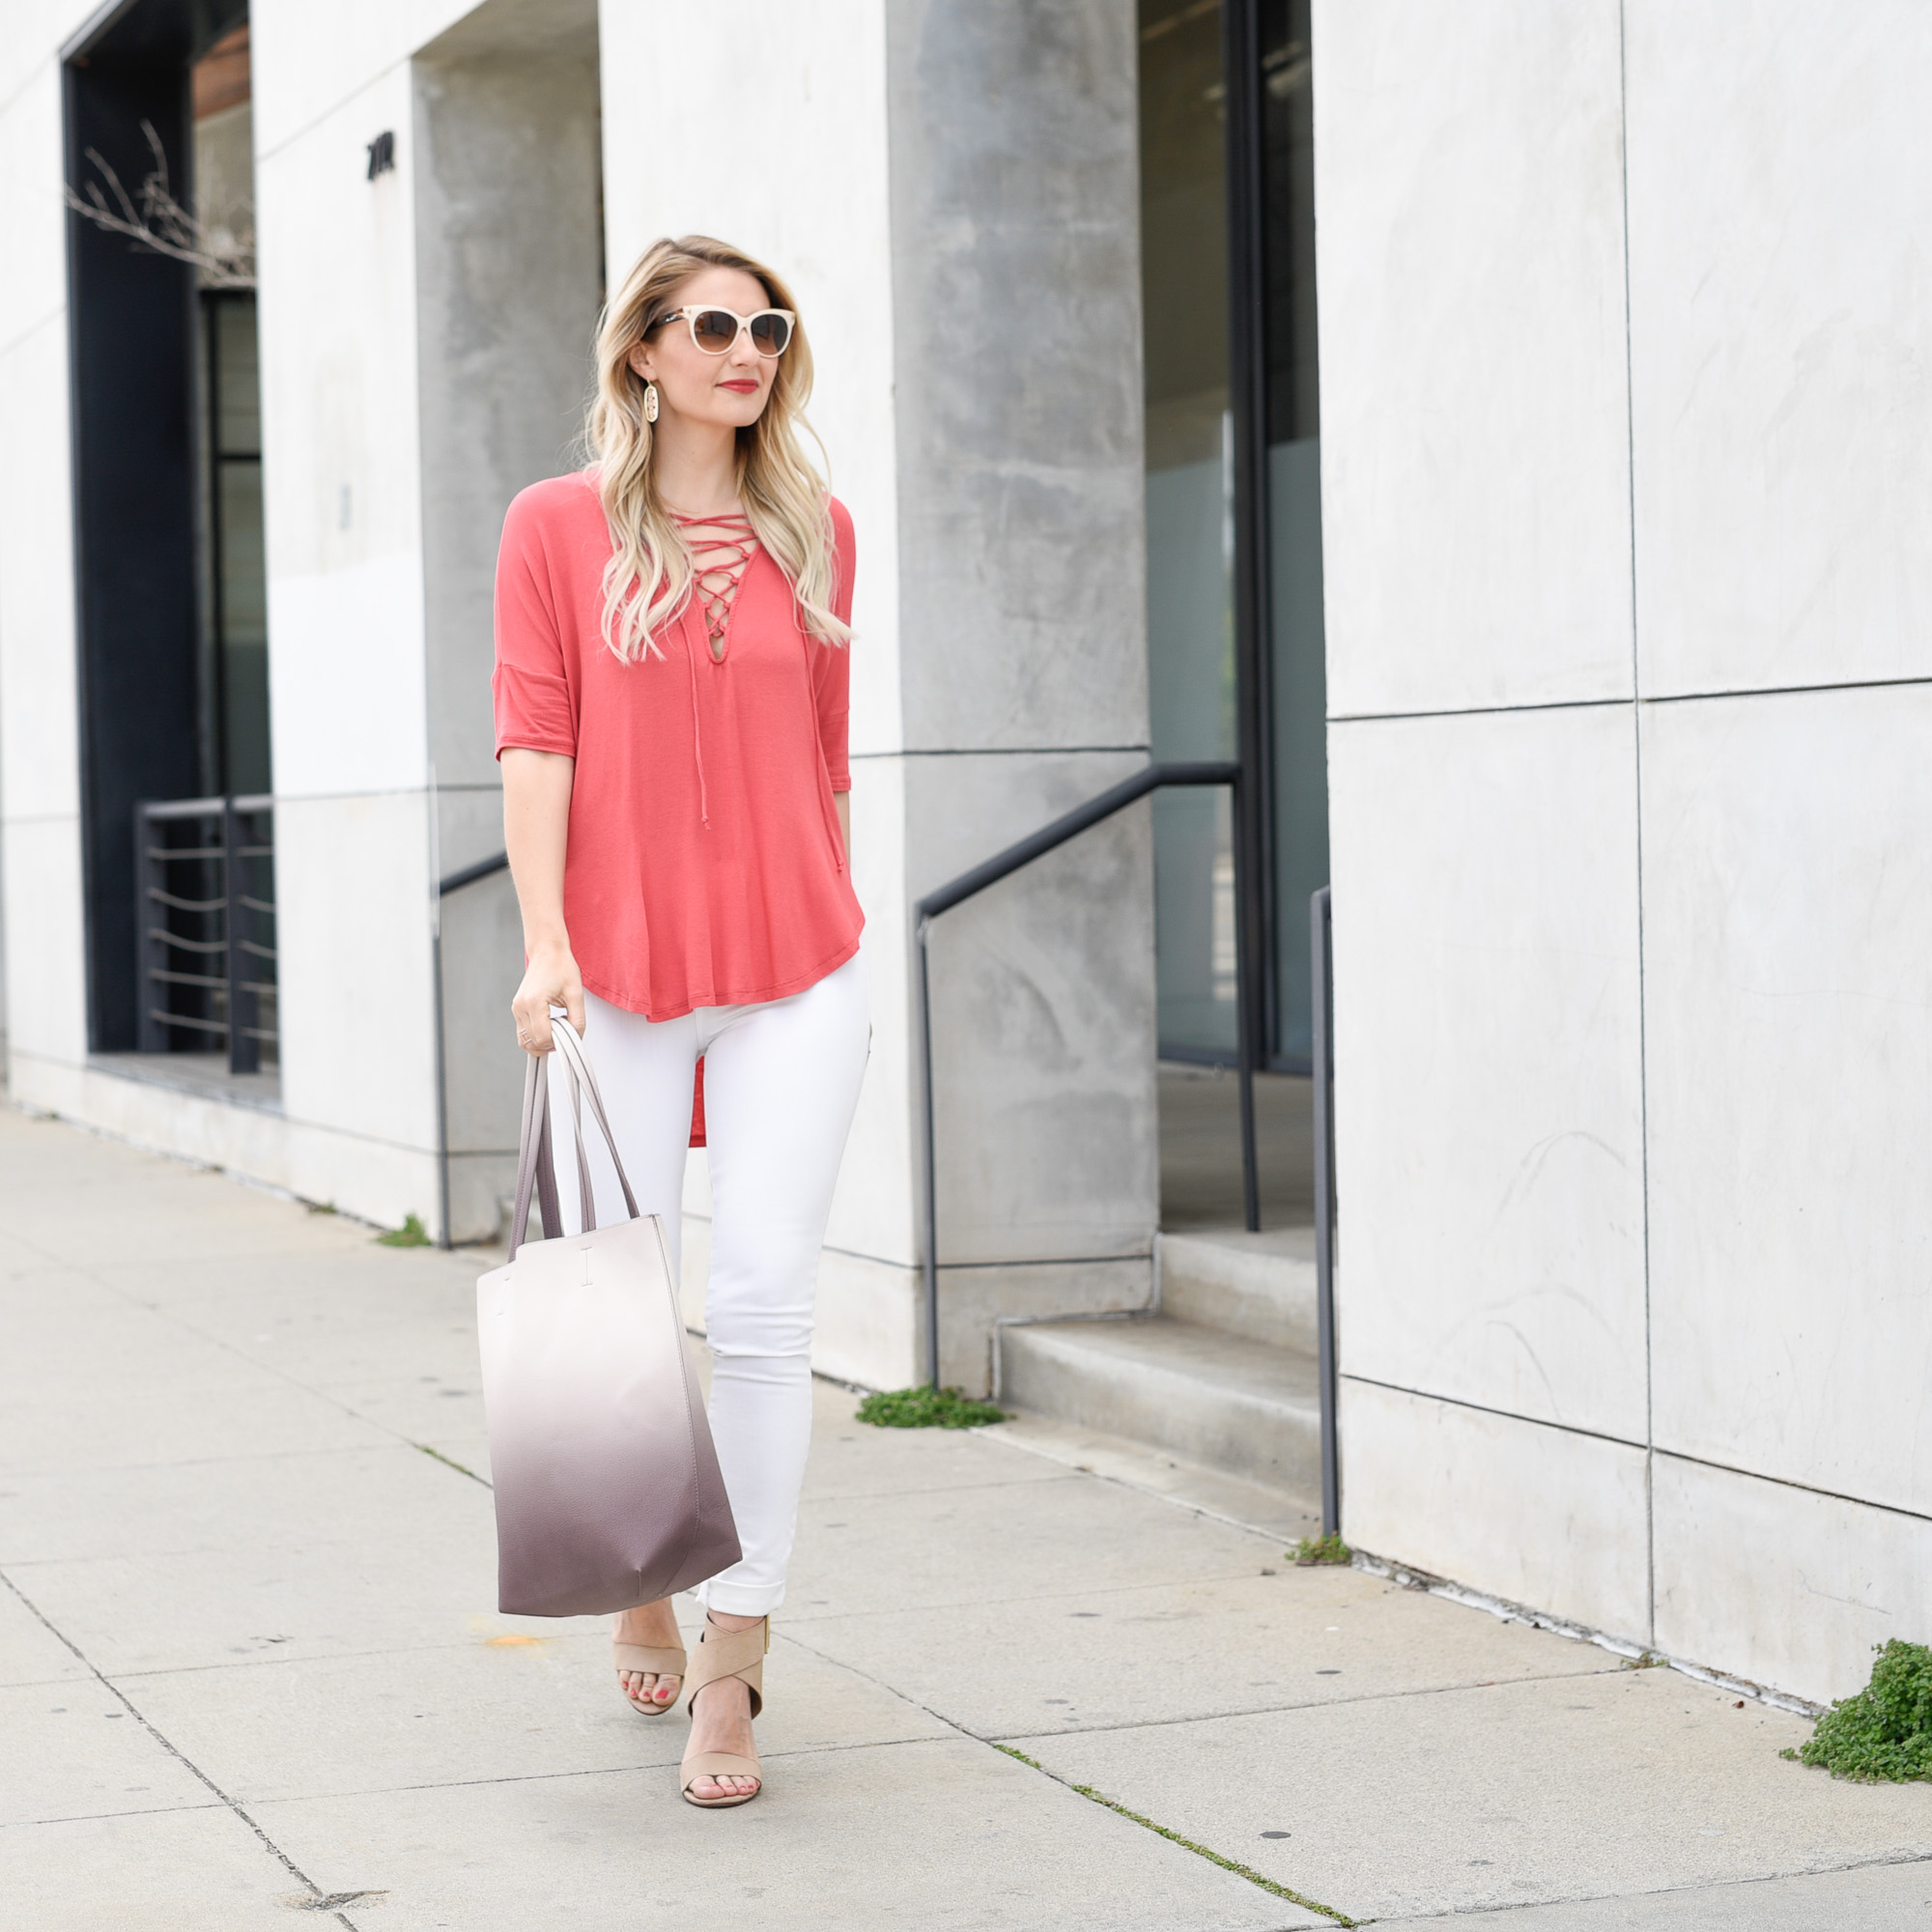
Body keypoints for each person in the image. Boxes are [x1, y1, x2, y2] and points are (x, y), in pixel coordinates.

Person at [492, 234, 869, 1810]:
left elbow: (828, 762)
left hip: (798, 969)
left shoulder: (818, 531)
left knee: (769, 1303)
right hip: (618, 971)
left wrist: (824, 917)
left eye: (768, 326)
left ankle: (738, 1650)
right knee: (610, 1314)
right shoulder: (556, 529)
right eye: (713, 324)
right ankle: (636, 1577)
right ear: (642, 350)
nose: (747, 348)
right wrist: (543, 946)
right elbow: (536, 741)